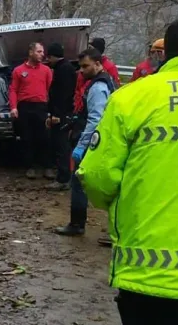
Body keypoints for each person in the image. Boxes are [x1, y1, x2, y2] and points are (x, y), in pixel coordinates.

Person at [76, 12, 178, 324]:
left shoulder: (132, 97)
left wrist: (118, 203)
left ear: (165, 53)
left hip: (149, 275)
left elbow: (97, 175)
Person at [55, 48, 116, 237]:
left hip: (93, 142)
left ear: (98, 64)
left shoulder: (98, 87)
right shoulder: (105, 82)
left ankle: (76, 224)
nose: (82, 70)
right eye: (80, 67)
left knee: (79, 183)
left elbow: (95, 119)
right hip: (101, 140)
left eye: (85, 66)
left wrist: (82, 145)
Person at [9, 42, 53, 179]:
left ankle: (47, 166)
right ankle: (30, 167)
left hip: (41, 107)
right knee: (27, 138)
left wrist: (51, 109)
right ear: (31, 52)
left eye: (42, 52)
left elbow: (50, 89)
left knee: (44, 138)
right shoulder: (18, 70)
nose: (42, 54)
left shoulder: (46, 70)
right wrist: (14, 107)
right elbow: (13, 90)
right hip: (25, 107)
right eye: (39, 51)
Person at [44, 43, 77, 190]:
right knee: (60, 145)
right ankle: (63, 176)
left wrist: (58, 114)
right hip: (61, 113)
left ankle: (64, 179)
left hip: (62, 115)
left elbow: (63, 95)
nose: (48, 60)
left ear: (52, 56)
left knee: (62, 146)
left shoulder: (64, 70)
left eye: (49, 57)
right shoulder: (63, 68)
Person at [73, 38, 120, 115]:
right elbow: (79, 85)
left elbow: (115, 87)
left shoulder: (109, 67)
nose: (82, 70)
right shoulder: (85, 65)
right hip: (81, 107)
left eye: (90, 48)